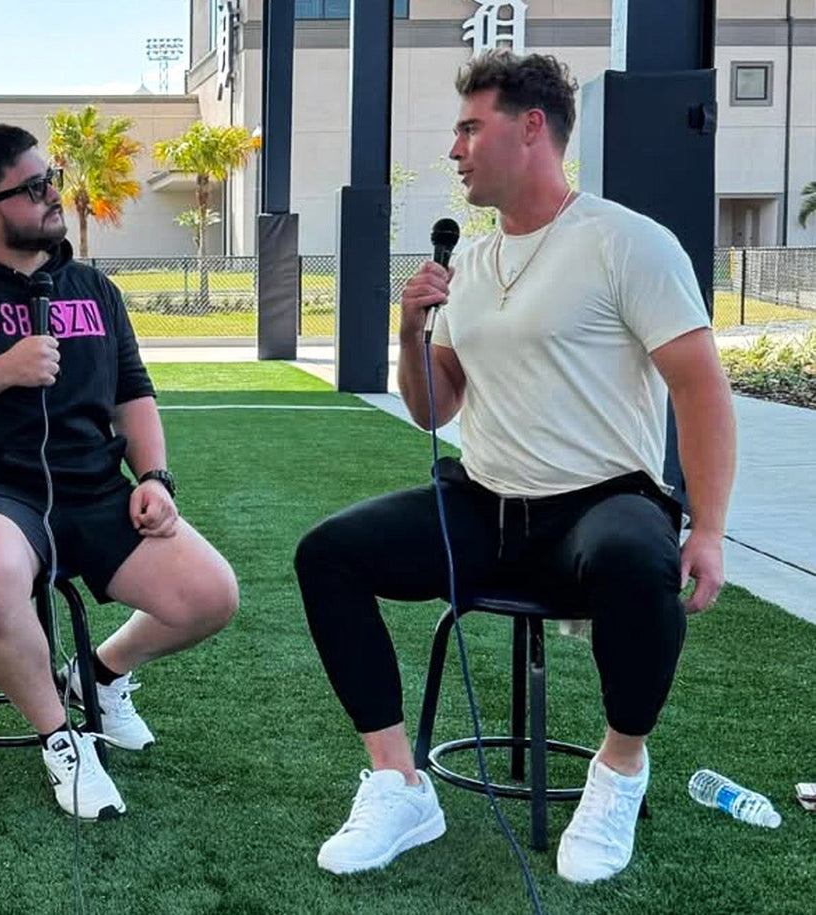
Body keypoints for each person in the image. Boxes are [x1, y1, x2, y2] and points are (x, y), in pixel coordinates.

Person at [293, 52, 735, 884]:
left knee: (639, 559)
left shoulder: (625, 242)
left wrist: (708, 527)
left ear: (532, 127)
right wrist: (409, 330)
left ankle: (618, 769)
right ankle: (398, 782)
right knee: (329, 552)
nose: (455, 149)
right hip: (483, 502)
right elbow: (435, 408)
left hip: (604, 502)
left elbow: (701, 388)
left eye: (470, 127)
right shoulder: (477, 261)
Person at [0, 123, 239, 820]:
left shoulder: (93, 288)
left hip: (92, 488)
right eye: (34, 187)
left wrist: (155, 478)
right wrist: (2, 369)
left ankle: (96, 676)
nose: (52, 196)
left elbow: (134, 393)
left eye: (51, 180)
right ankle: (62, 739)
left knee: (211, 593)